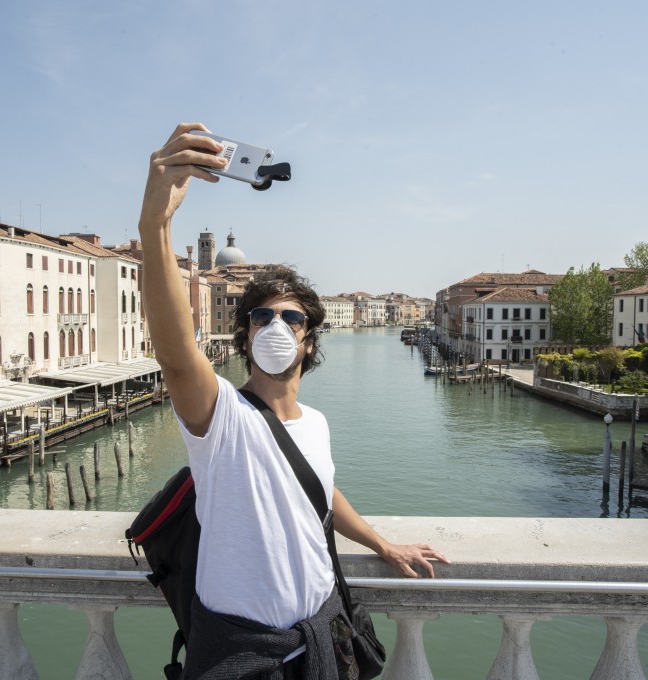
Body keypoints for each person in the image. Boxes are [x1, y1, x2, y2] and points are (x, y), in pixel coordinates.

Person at [139, 122, 448, 679]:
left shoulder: (317, 423)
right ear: (246, 336)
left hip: (325, 635)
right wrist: (156, 223)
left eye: (291, 317)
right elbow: (177, 348)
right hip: (241, 652)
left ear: (308, 339)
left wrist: (382, 542)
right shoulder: (220, 417)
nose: (275, 324)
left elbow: (320, 490)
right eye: (261, 316)